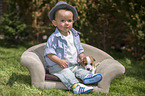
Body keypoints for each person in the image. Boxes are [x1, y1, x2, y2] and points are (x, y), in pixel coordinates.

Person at [44, 1, 102, 94]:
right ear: (55, 23)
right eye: (62, 21)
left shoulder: (75, 35)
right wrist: (59, 61)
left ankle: (88, 77)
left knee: (78, 70)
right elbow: (49, 53)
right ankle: (76, 86)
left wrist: (82, 57)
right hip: (57, 66)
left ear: (73, 21)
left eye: (69, 20)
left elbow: (79, 49)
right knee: (66, 74)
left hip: (73, 65)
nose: (66, 23)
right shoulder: (54, 38)